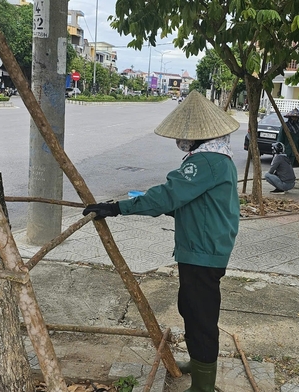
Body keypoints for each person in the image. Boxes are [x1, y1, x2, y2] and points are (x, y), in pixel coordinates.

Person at [83, 90, 240, 392]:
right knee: (191, 308)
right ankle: (199, 363)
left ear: (197, 136)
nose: (181, 141)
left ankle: (204, 385)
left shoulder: (205, 162)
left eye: (185, 137)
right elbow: (196, 202)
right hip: (206, 246)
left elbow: (169, 195)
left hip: (203, 252)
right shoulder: (220, 159)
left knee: (200, 317)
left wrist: (116, 208)